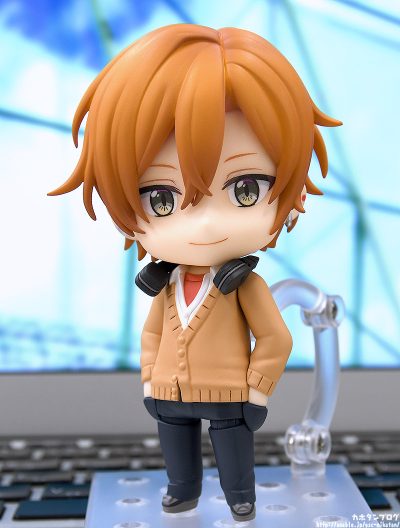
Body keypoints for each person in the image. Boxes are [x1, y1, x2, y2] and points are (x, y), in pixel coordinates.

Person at [48, 23, 341, 522]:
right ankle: (182, 489)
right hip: (169, 393)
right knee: (177, 452)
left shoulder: (245, 285)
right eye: (161, 198)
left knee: (232, 452)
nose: (204, 223)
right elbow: (152, 335)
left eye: (245, 189)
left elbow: (276, 339)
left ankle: (240, 496)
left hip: (229, 396)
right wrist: (149, 381)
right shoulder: (164, 284)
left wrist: (256, 390)